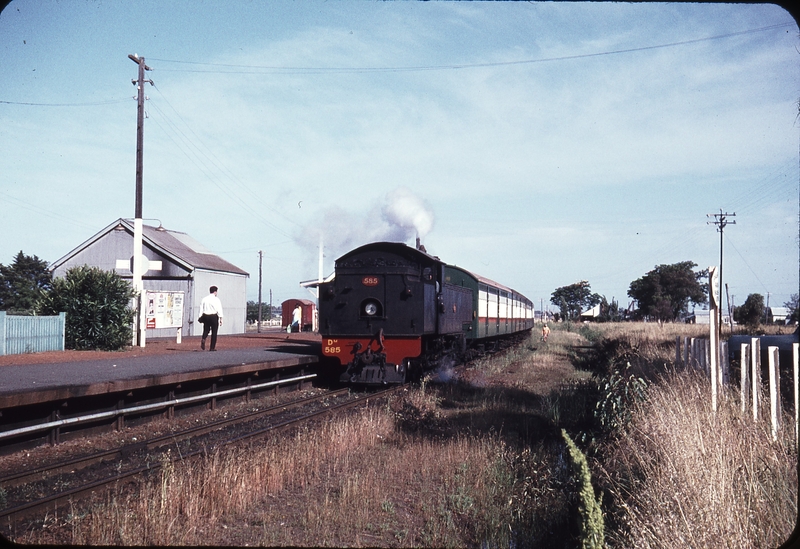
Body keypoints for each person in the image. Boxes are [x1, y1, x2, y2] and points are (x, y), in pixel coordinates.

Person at [199, 286, 223, 351]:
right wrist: (221, 318)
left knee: (206, 329)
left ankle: (204, 338)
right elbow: (219, 309)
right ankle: (212, 347)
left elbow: (201, 308)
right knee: (214, 332)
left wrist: (200, 316)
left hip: (205, 315)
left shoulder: (204, 299)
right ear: (215, 292)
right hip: (213, 316)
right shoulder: (216, 299)